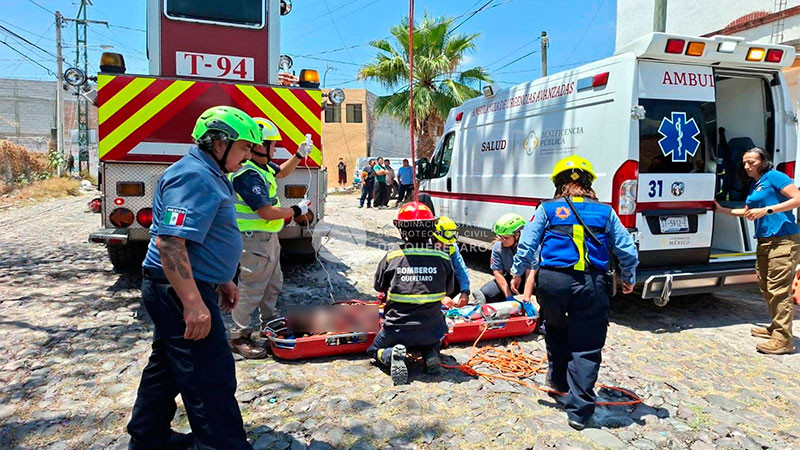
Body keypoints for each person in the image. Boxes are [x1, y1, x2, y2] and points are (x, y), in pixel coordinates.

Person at [128, 106, 262, 449]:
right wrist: (192, 302)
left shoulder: (211, 173)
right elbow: (171, 243)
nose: (248, 156)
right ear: (219, 143)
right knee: (209, 374)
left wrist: (222, 278)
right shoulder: (194, 177)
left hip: (187, 285)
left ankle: (149, 437)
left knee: (167, 367)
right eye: (245, 147)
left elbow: (203, 235)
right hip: (176, 290)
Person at [510, 155, 638, 431]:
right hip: (591, 283)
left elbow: (527, 244)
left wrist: (517, 272)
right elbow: (627, 249)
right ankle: (579, 413)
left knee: (555, 327)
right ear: (590, 183)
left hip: (552, 282)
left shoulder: (547, 209)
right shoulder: (606, 212)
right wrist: (628, 277)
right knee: (587, 344)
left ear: (558, 183)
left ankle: (558, 381)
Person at [227, 118, 313, 359]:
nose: (275, 148)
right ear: (258, 146)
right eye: (272, 144)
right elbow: (265, 212)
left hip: (268, 238)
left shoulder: (262, 167)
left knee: (272, 283)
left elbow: (282, 172)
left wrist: (299, 154)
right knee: (252, 287)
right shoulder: (248, 174)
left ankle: (269, 323)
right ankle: (239, 336)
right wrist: (295, 210)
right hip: (253, 240)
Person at [715, 147, 800, 355]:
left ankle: (783, 340)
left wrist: (767, 210)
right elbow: (746, 212)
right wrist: (721, 209)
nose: (747, 166)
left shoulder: (775, 176)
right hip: (764, 241)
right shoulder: (757, 184)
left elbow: (797, 198)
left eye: (752, 162)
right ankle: (775, 327)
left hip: (783, 240)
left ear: (764, 161)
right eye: (744, 162)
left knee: (778, 289)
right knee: (765, 286)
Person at [370, 202, 456, 384]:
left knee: (373, 349)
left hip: (396, 328)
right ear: (431, 229)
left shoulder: (392, 256)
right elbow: (449, 290)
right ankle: (430, 354)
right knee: (433, 341)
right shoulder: (443, 257)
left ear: (402, 229)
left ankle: (389, 354)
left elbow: (379, 286)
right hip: (431, 328)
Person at [471, 213, 528, 304]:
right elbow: (497, 273)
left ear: (517, 235)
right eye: (499, 236)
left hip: (531, 278)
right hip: (511, 279)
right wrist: (508, 296)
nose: (501, 240)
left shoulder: (528, 247)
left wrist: (527, 297)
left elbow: (532, 272)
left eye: (505, 237)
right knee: (485, 294)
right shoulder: (498, 248)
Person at [432, 216, 471, 308]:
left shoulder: (451, 245)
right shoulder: (424, 247)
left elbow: (460, 268)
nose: (444, 246)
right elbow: (424, 279)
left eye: (447, 244)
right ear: (433, 238)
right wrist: (439, 297)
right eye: (441, 243)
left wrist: (465, 291)